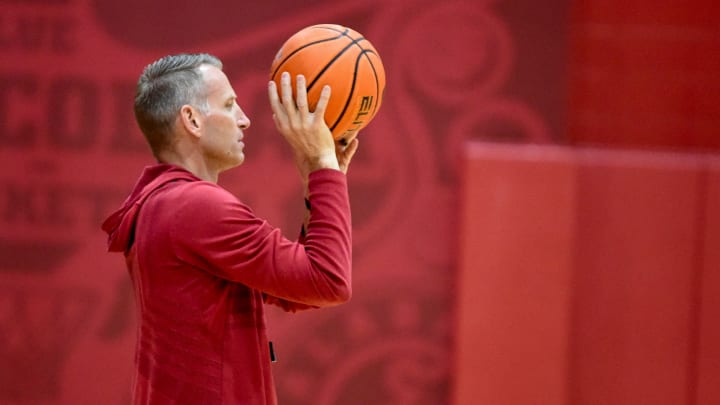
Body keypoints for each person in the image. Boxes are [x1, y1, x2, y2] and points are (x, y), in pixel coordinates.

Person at [101, 53, 358, 404]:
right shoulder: (195, 206)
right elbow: (329, 280)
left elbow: (296, 290)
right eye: (229, 104)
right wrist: (324, 166)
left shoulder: (164, 202)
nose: (245, 119)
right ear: (191, 119)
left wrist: (320, 178)